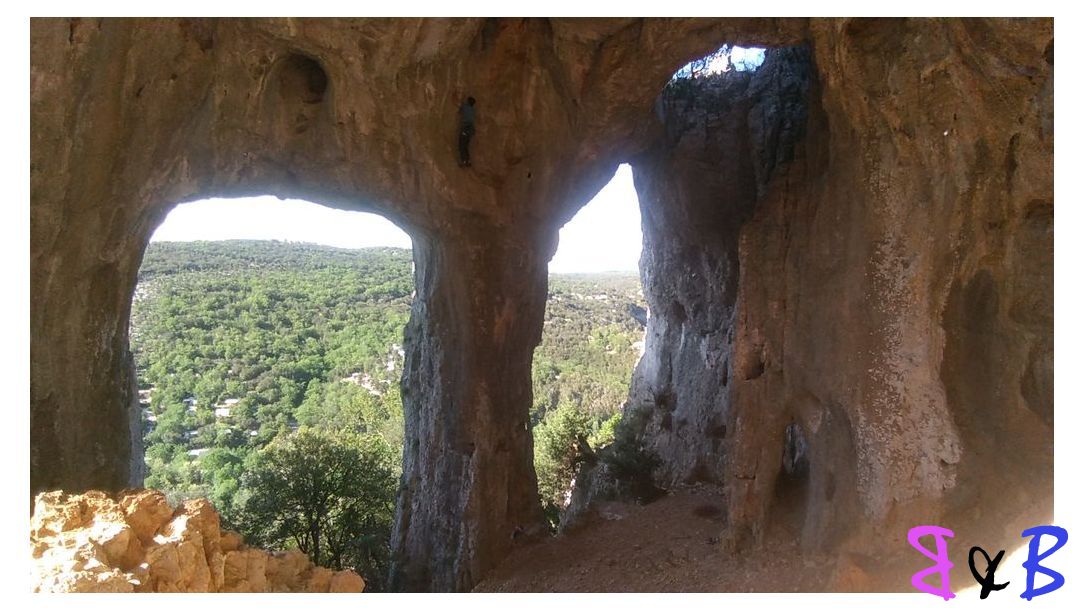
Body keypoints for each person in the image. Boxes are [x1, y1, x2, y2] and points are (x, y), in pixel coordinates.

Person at [458, 96, 476, 167]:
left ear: (468, 102)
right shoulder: (473, 110)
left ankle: (464, 162)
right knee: (465, 146)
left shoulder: (465, 107)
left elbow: (460, 109)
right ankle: (468, 161)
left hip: (465, 128)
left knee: (462, 146)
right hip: (470, 130)